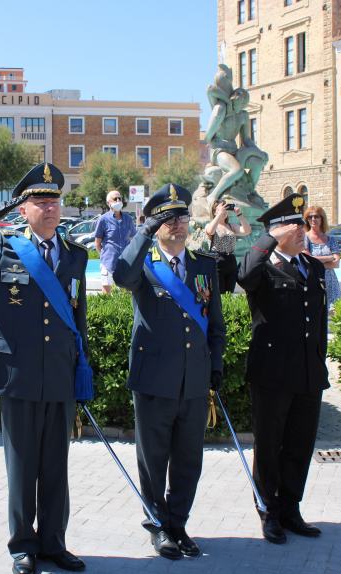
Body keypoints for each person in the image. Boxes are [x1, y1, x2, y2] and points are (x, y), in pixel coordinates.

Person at [0, 163, 89, 574]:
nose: (50, 209)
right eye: (40, 202)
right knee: (23, 466)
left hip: (60, 372)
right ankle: (23, 545)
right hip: (18, 374)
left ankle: (54, 543)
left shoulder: (75, 254)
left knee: (55, 467)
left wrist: (83, 366)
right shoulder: (0, 246)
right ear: (22, 210)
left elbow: (79, 315)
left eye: (55, 201)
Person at [112, 184, 225, 560]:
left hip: (193, 380)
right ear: (155, 223)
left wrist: (216, 365)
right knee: (153, 460)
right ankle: (157, 526)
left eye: (182, 217)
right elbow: (120, 276)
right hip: (154, 381)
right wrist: (143, 231)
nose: (177, 225)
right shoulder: (143, 265)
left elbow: (217, 324)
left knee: (189, 459)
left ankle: (178, 523)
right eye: (168, 218)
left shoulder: (204, 266)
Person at [237, 193, 328, 545]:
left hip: (307, 372)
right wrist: (271, 238)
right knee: (270, 445)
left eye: (303, 225)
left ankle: (291, 508)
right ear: (276, 231)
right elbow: (243, 276)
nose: (303, 230)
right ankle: (268, 511)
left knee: (299, 445)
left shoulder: (314, 267)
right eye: (295, 226)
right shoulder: (264, 265)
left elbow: (318, 322)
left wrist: (320, 360)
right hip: (272, 373)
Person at [94, 190, 136, 294]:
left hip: (125, 263)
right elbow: (97, 243)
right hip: (108, 263)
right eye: (115, 199)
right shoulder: (103, 220)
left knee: (125, 291)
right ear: (109, 203)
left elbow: (134, 238)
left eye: (119, 198)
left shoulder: (128, 219)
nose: (118, 200)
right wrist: (104, 256)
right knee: (107, 292)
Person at [205, 200, 251, 293]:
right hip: (217, 260)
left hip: (231, 260)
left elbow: (247, 231)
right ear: (214, 212)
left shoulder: (231, 226)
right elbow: (210, 231)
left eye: (226, 208)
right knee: (219, 292)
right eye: (222, 208)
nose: (224, 210)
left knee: (229, 292)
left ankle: (228, 307)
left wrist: (239, 214)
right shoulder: (211, 225)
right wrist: (219, 215)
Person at [303, 206, 341, 310]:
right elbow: (307, 260)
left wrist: (315, 261)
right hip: (313, 281)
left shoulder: (331, 239)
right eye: (310, 217)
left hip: (330, 282)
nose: (313, 219)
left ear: (322, 218)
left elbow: (337, 264)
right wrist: (330, 257)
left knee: (333, 316)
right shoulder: (304, 238)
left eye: (316, 216)